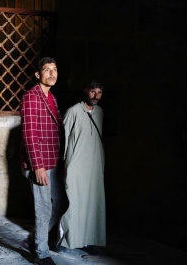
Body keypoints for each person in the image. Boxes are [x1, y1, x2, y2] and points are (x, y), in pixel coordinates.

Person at [20, 57, 66, 265]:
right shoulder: (31, 97)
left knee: (62, 203)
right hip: (39, 163)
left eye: (54, 70)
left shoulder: (52, 98)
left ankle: (36, 239)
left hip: (53, 161)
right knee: (44, 207)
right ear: (38, 75)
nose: (52, 73)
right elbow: (30, 134)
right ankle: (41, 252)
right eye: (47, 70)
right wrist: (37, 166)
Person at [59, 79, 106, 250]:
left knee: (92, 203)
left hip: (94, 165)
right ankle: (66, 240)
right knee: (74, 202)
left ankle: (89, 241)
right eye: (93, 91)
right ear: (86, 90)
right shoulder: (73, 111)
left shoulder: (100, 112)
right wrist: (64, 164)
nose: (96, 96)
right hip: (75, 164)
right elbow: (63, 139)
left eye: (99, 92)